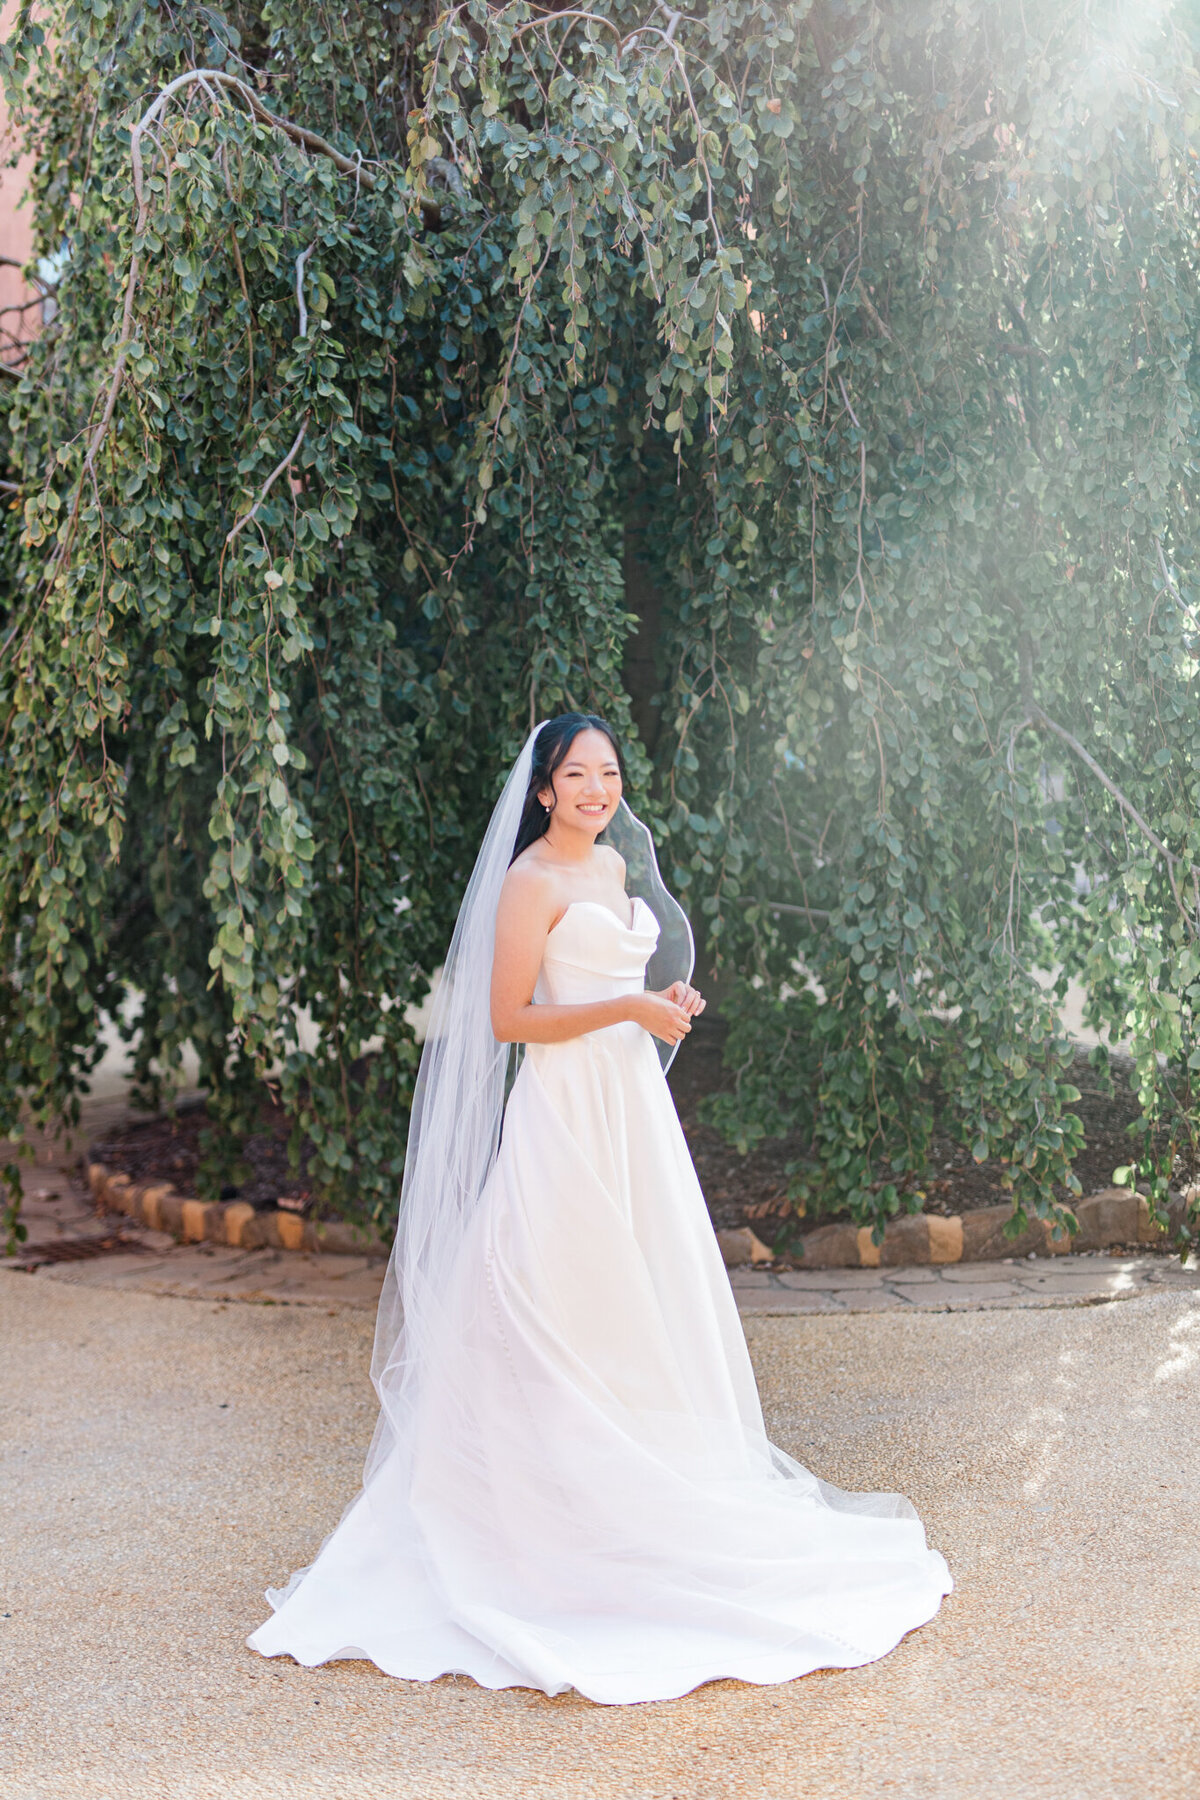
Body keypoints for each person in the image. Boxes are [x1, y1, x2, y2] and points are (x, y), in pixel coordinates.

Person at [248, 713, 951, 1705]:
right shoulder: (528, 882)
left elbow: (622, 976)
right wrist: (628, 1009)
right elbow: (508, 1019)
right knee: (553, 1290)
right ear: (542, 790)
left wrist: (660, 1005)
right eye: (577, 775)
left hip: (629, 1109)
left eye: (609, 773)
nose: (596, 789)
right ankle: (532, 1514)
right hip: (563, 1110)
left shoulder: (615, 873)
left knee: (634, 1297)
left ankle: (633, 1485)